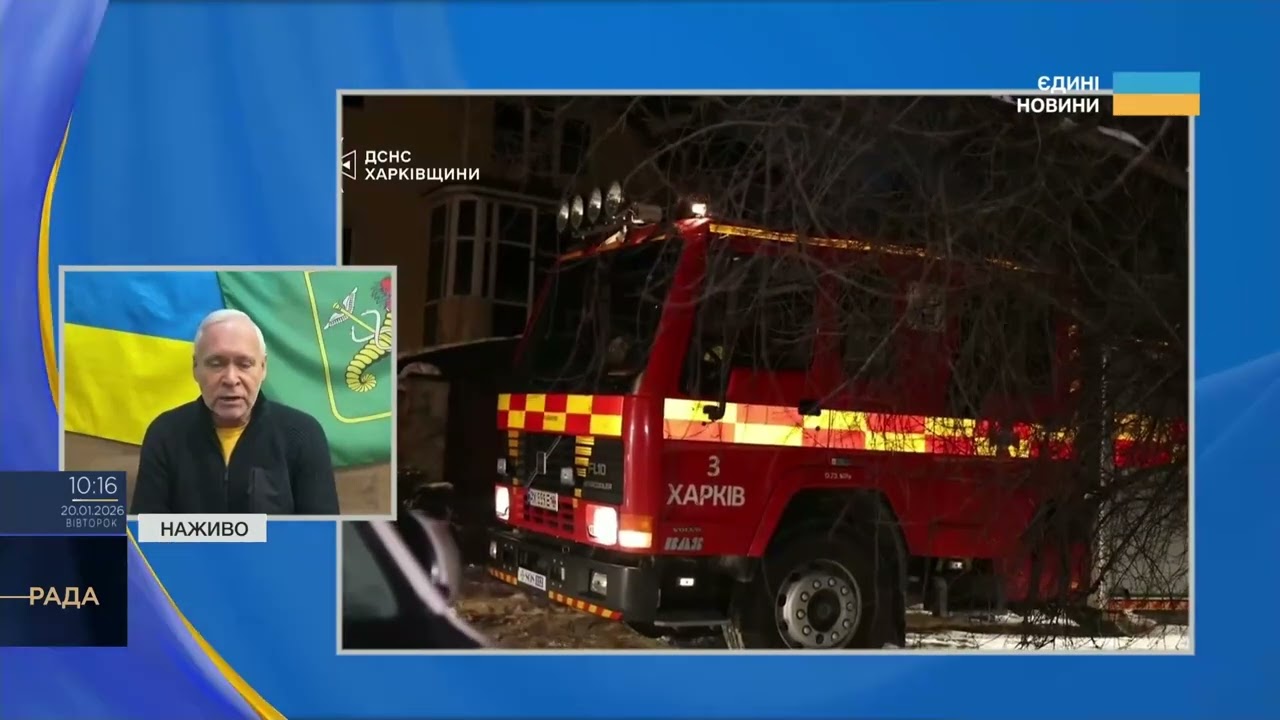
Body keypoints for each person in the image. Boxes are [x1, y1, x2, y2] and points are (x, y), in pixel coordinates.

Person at [130, 309, 341, 515]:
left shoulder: (302, 435)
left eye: (244, 364)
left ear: (263, 367)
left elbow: (322, 532)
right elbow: (145, 531)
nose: (231, 379)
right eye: (216, 364)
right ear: (195, 367)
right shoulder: (165, 434)